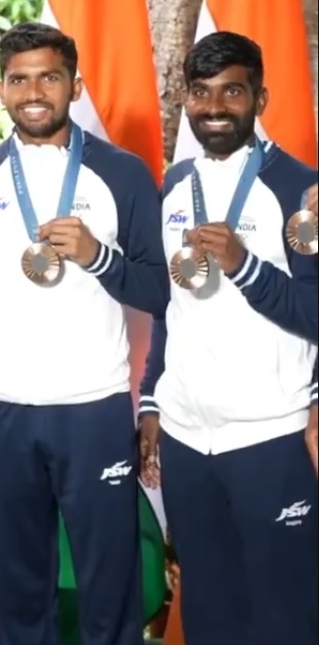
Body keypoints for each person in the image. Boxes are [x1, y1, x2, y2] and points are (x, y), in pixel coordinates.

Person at [0, 22, 167, 645]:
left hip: (93, 407)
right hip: (2, 409)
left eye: (49, 77)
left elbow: (161, 291)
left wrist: (98, 256)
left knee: (110, 579)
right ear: (2, 89)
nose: (34, 92)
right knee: (18, 585)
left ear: (76, 85)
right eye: (19, 79)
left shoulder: (121, 174)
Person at [138, 31, 318, 645]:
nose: (214, 107)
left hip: (270, 435)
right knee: (209, 611)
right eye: (201, 92)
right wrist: (153, 398)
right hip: (187, 437)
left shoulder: (298, 191)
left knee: (285, 613)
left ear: (260, 100)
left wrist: (245, 266)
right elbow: (172, 306)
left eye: (232, 92)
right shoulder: (175, 184)